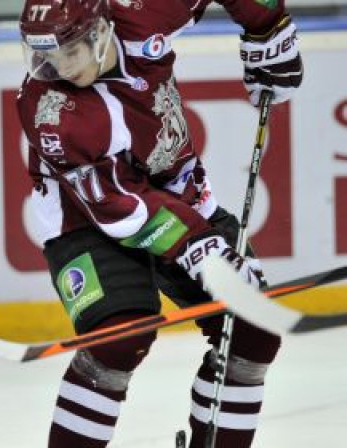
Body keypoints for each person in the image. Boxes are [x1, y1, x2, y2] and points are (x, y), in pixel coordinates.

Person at [16, 0, 302, 447]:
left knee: (253, 328)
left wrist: (268, 29)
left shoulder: (142, 10)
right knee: (121, 336)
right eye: (46, 56)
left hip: (178, 196)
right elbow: (121, 206)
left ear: (99, 31)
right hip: (84, 219)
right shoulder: (51, 110)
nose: (58, 68)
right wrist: (205, 249)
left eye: (68, 52)